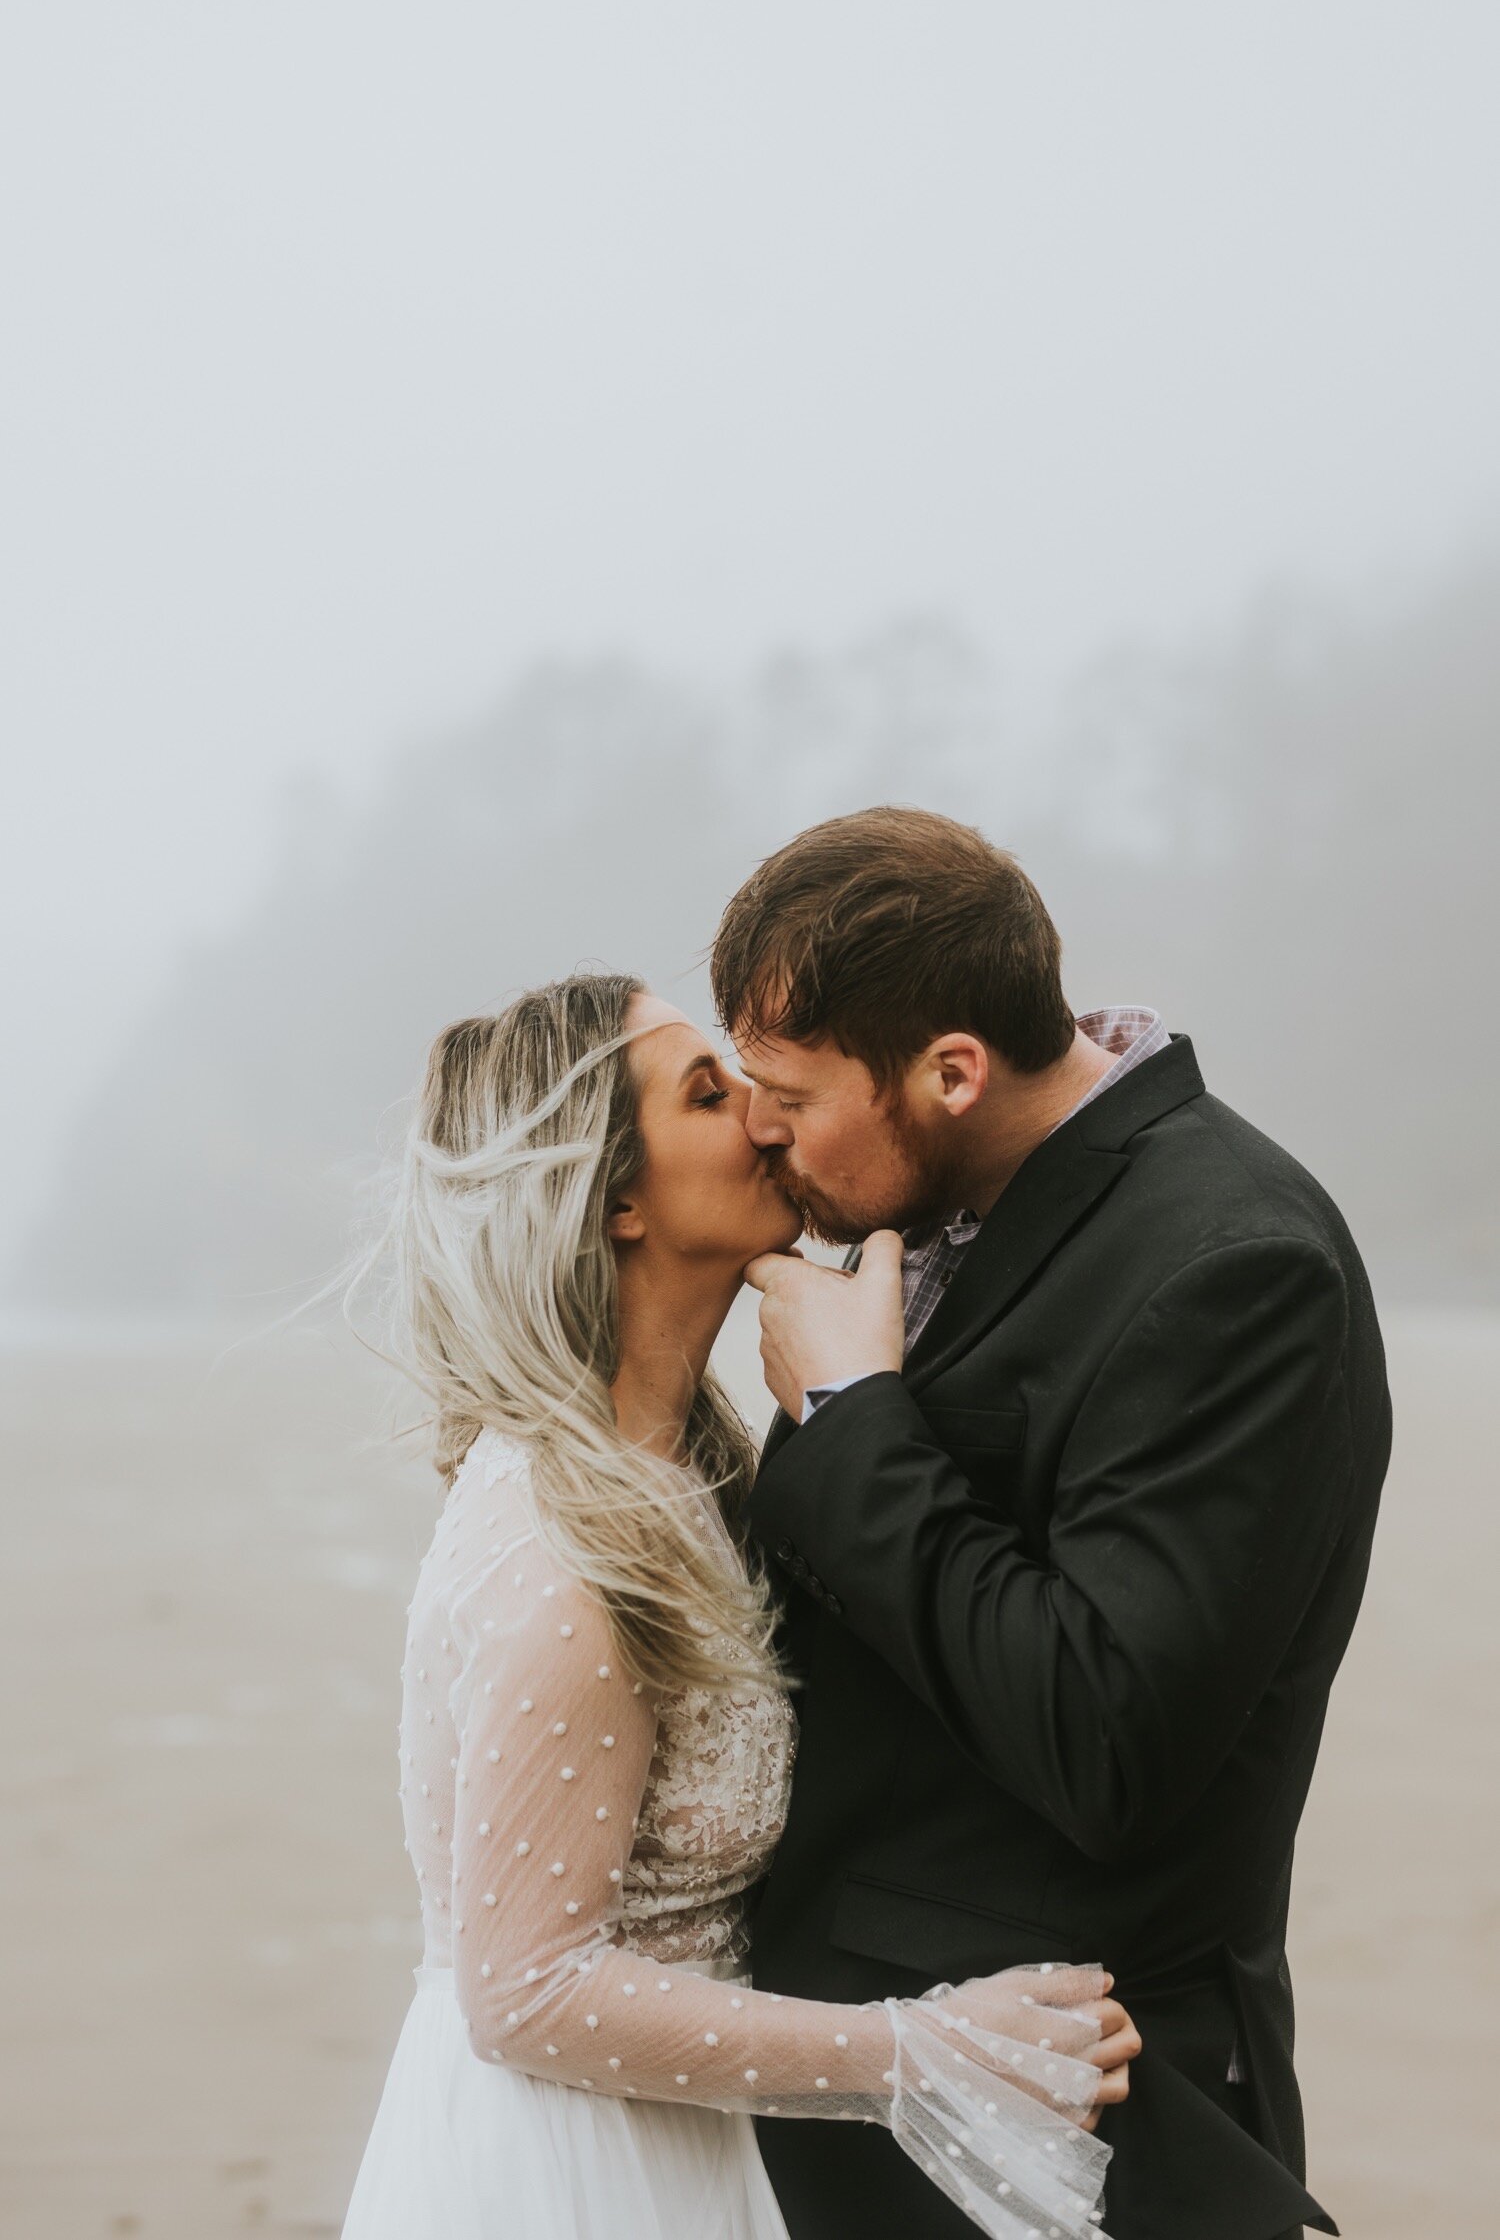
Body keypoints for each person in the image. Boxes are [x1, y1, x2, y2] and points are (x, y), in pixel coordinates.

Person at [341, 972, 1139, 2240]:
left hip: (682, 2136)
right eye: (710, 1094)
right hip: (573, 2169)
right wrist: (918, 2051)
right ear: (610, 1200)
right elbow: (524, 1994)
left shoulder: (693, 1474)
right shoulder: (572, 1555)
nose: (770, 1115)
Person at [709, 806, 1392, 2240]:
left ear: (952, 1069)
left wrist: (849, 1419)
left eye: (788, 1090)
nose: (762, 1130)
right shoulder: (933, 1195)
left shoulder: (1236, 1265)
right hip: (872, 2088)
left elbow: (1106, 1729)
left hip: (1073, 2112)